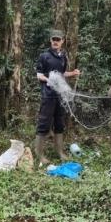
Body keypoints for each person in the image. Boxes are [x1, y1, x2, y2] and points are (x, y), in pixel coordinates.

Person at [34, 29, 80, 165]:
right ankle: (40, 155)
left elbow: (63, 73)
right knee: (43, 124)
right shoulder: (44, 56)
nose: (55, 41)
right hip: (48, 96)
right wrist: (49, 80)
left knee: (59, 124)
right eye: (53, 39)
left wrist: (73, 73)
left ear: (62, 41)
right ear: (50, 40)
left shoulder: (63, 57)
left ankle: (60, 152)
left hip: (60, 97)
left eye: (58, 39)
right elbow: (39, 74)